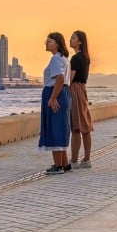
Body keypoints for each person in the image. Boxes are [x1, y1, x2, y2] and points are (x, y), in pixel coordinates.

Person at [38, 32, 72, 174]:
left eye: (50, 41)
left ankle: (58, 166)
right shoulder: (64, 59)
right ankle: (64, 163)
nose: (46, 43)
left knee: (54, 128)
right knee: (61, 127)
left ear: (57, 43)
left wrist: (52, 98)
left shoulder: (55, 60)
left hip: (55, 93)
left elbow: (59, 78)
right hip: (63, 93)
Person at [68, 30, 94, 169]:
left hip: (75, 90)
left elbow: (70, 79)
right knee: (85, 126)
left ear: (79, 42)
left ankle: (74, 160)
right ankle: (87, 159)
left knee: (76, 127)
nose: (70, 40)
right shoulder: (85, 57)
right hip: (82, 90)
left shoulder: (76, 58)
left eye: (73, 38)